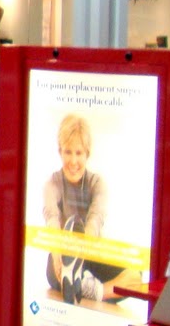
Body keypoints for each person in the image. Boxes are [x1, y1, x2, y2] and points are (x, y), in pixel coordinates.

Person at [43, 113, 125, 304]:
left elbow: (96, 219)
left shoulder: (97, 183)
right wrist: (57, 253)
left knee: (135, 276)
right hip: (64, 254)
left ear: (87, 153)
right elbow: (51, 218)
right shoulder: (53, 183)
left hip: (90, 251)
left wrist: (81, 253)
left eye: (78, 153)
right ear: (60, 152)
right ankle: (76, 281)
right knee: (55, 269)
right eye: (68, 152)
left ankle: (93, 290)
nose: (73, 161)